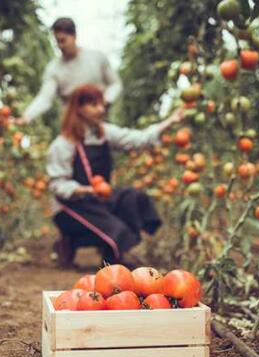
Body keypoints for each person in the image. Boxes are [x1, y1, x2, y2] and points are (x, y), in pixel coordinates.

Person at [46, 84, 184, 267]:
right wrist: (84, 190)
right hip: (70, 207)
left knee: (132, 198)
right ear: (78, 108)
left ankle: (111, 256)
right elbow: (57, 185)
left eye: (102, 104)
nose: (101, 109)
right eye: (94, 105)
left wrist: (170, 121)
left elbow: (137, 139)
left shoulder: (104, 133)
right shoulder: (62, 144)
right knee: (114, 228)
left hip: (98, 199)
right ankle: (70, 242)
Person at [16, 17, 122, 125]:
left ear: (74, 36)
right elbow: (45, 98)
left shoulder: (97, 58)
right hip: (73, 127)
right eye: (57, 41)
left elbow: (115, 84)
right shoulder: (53, 69)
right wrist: (27, 116)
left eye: (63, 40)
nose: (60, 46)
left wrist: (105, 101)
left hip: (100, 122)